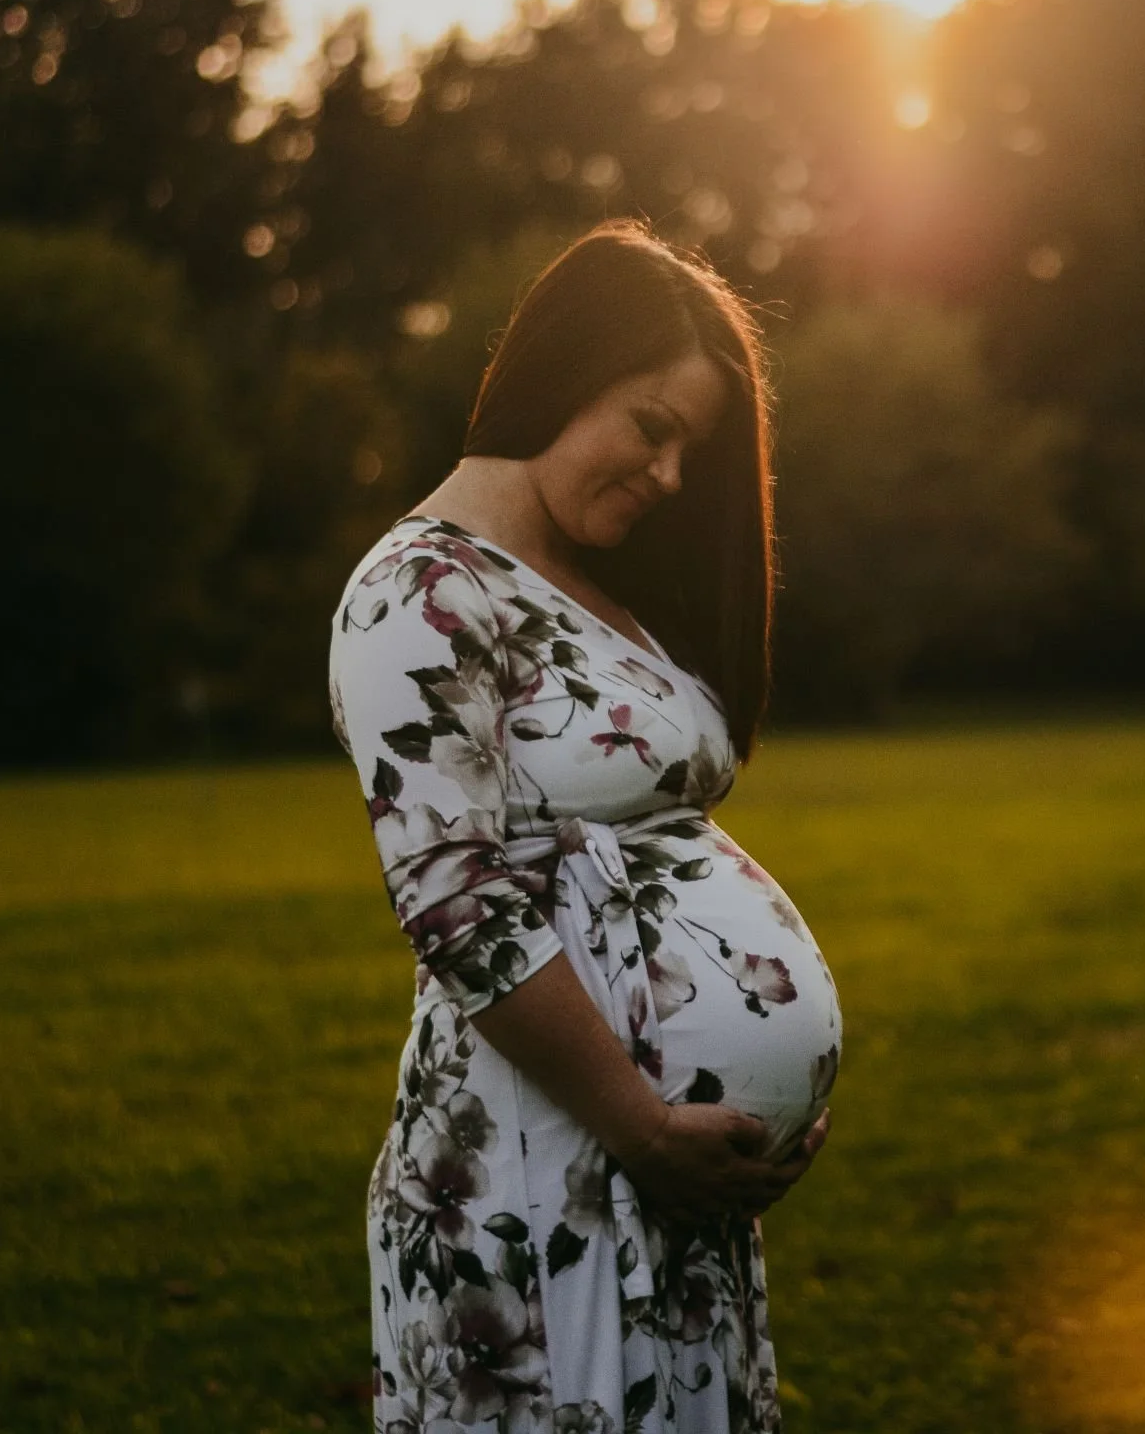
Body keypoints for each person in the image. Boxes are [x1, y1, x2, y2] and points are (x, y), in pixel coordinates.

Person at [327, 219, 839, 1434]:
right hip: (534, 1174)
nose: (668, 476)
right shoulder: (418, 591)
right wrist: (645, 1123)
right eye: (651, 428)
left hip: (655, 1189)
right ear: (563, 373)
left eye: (690, 451)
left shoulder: (599, 586)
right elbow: (459, 905)